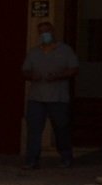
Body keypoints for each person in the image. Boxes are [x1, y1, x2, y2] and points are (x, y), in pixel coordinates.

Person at [21, 19, 80, 168]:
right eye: (41, 32)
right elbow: (25, 71)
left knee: (61, 129)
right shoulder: (34, 52)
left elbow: (74, 69)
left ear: (53, 32)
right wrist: (31, 76)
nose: (44, 34)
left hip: (58, 98)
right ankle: (32, 160)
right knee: (34, 130)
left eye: (47, 31)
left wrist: (59, 76)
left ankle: (66, 157)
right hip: (36, 97)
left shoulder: (65, 50)